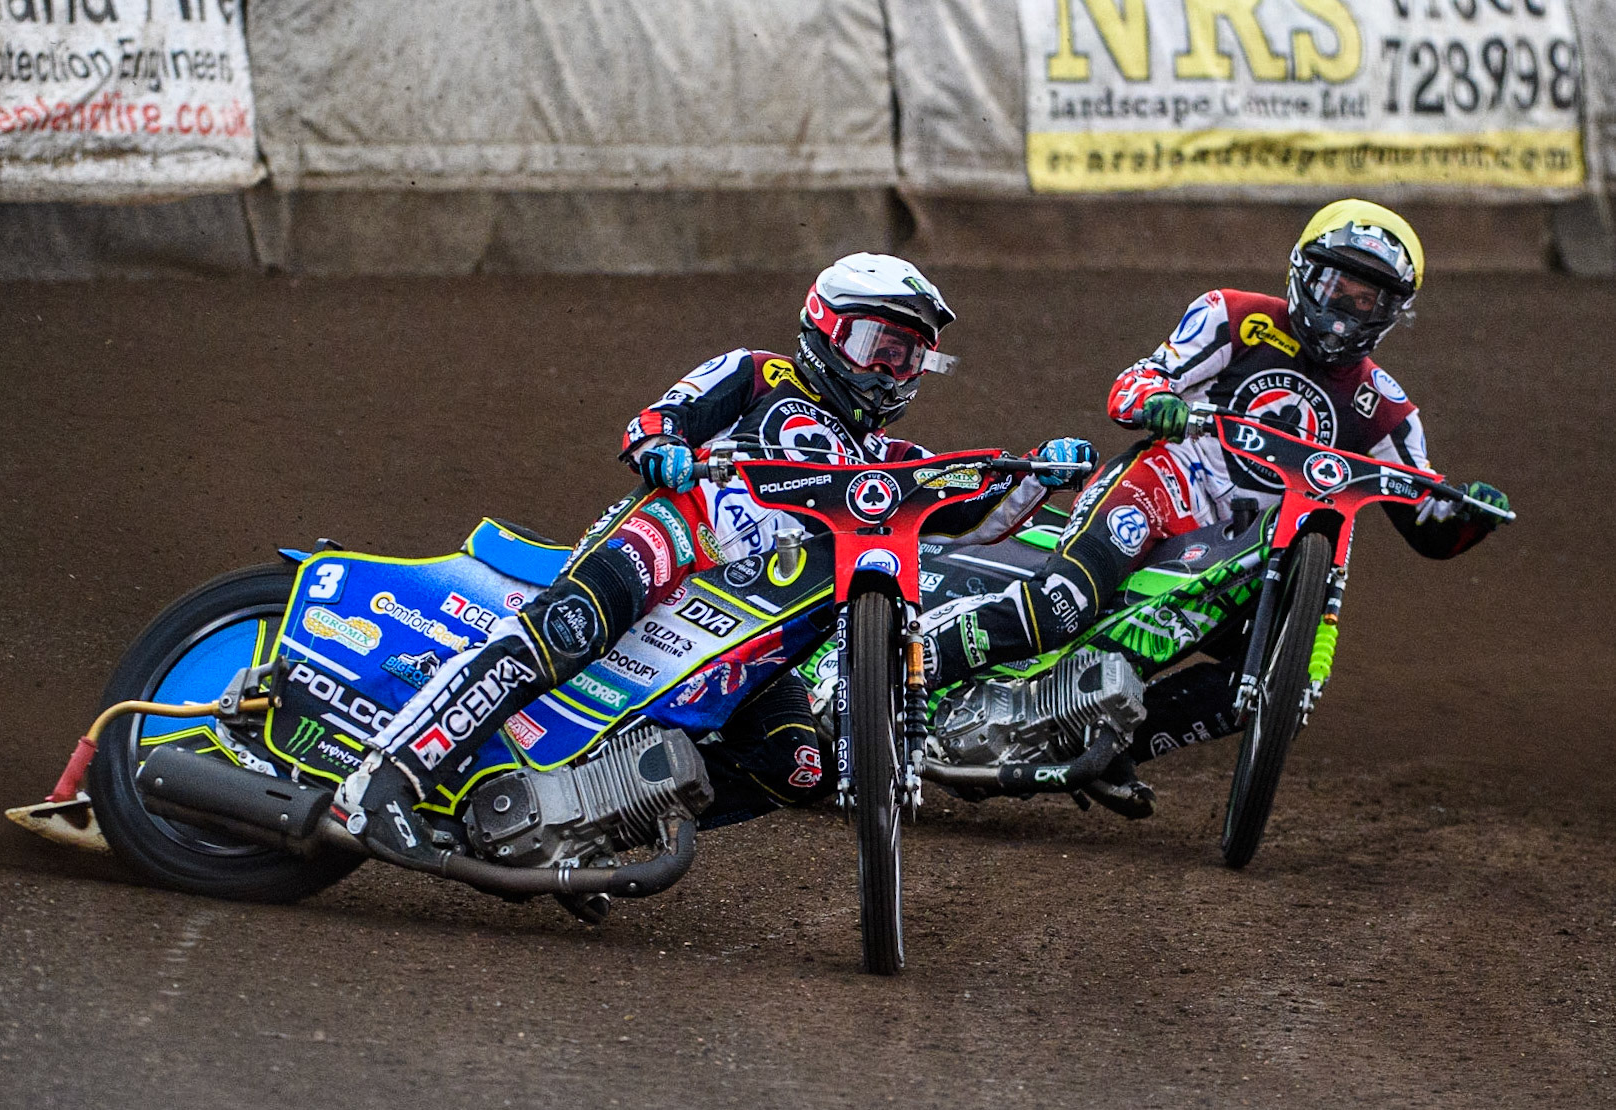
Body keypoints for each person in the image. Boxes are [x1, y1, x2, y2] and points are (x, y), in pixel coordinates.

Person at [333, 252, 1097, 867]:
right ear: (825, 329)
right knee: (565, 630)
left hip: (759, 627)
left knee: (798, 763)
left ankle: (591, 824)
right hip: (678, 539)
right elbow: (659, 418)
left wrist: (1043, 472)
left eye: (907, 361)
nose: (885, 372)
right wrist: (661, 448)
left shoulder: (893, 461)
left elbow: (979, 516)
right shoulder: (760, 373)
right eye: (875, 347)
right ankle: (382, 779)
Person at [917, 199, 1511, 813]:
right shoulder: (1232, 315)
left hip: (1251, 553)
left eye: (1366, 300)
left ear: (1391, 313)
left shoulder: (1386, 408)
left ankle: (1110, 747)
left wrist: (1471, 515)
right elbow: (1134, 385)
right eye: (1336, 286)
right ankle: (917, 667)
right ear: (1303, 274)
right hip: (1163, 488)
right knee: (1064, 603)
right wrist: (1159, 402)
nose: (1343, 311)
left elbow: (1427, 521)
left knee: (1285, 681)